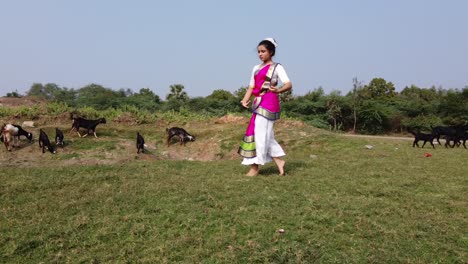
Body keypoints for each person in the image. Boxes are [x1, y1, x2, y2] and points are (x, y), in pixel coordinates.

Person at [238, 38, 292, 176]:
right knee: (262, 134)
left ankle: (255, 167)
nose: (260, 54)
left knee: (261, 134)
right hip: (258, 103)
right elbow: (251, 86)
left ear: (271, 52)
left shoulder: (277, 67)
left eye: (263, 51)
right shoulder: (256, 68)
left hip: (269, 102)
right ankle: (278, 161)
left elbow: (288, 84)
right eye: (258, 52)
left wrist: (278, 90)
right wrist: (244, 100)